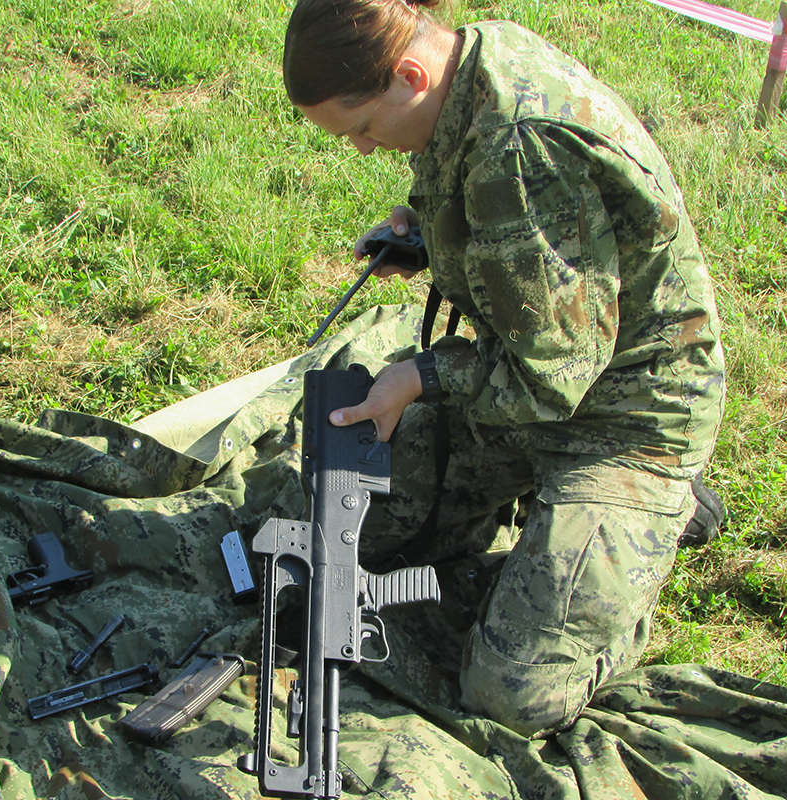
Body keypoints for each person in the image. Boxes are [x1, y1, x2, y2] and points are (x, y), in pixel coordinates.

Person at [282, 0, 726, 737]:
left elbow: (553, 376)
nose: (361, 149)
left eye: (361, 127)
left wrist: (419, 377)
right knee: (361, 534)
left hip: (627, 419)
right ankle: (576, 531)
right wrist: (428, 238)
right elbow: (527, 245)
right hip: (526, 380)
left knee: (513, 693)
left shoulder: (518, 144)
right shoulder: (465, 67)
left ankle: (653, 520)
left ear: (409, 74)